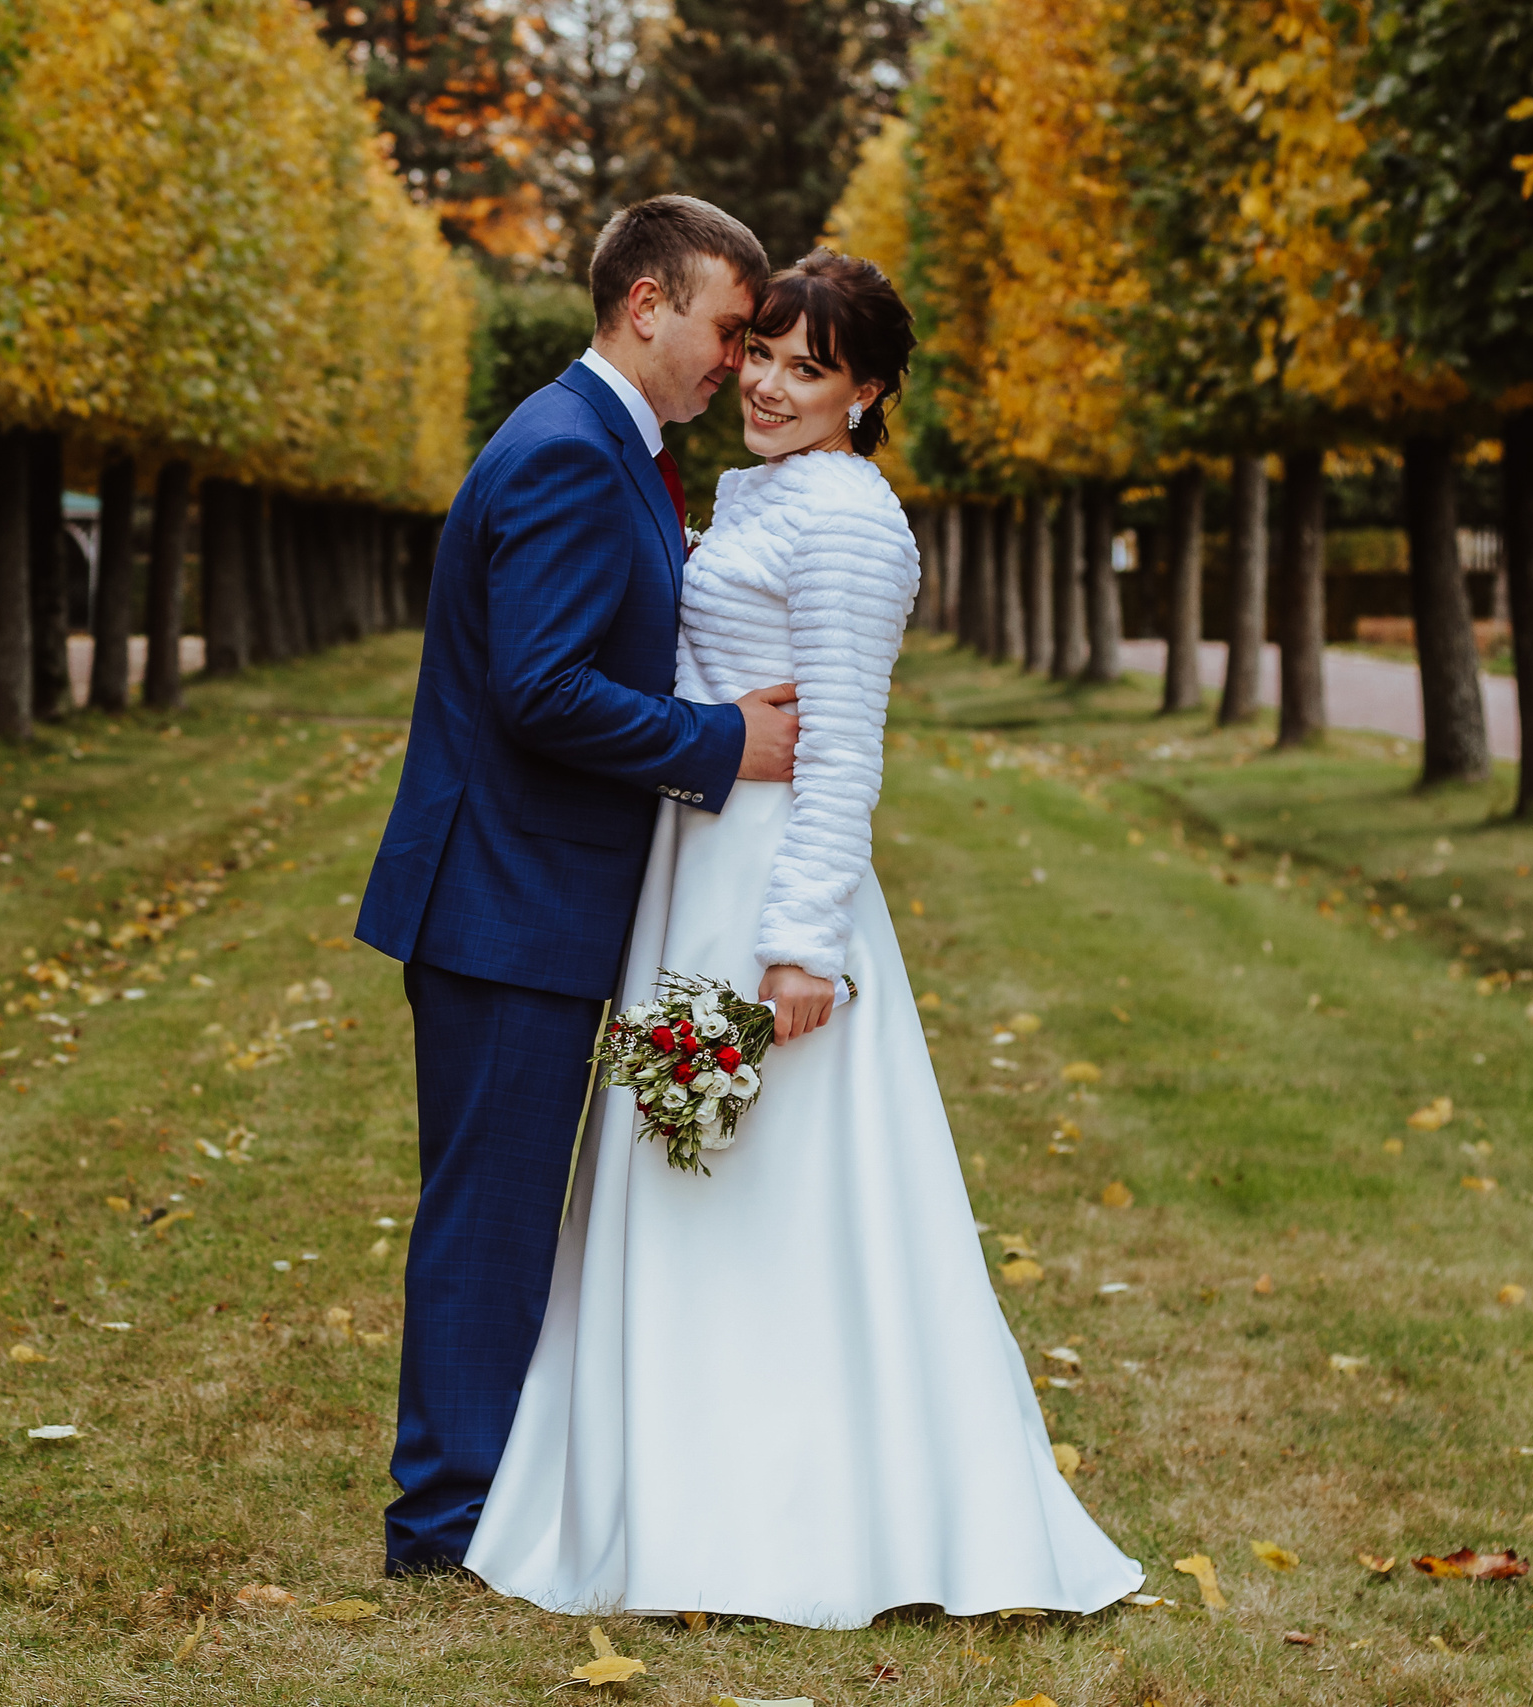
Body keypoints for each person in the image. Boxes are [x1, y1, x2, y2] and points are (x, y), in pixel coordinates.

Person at [460, 250, 1144, 1624]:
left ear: (867, 391)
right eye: (760, 352)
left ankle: (796, 1513)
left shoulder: (847, 521)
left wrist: (798, 948)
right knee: (689, 1181)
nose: (766, 385)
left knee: (774, 1196)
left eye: (807, 368)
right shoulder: (762, 488)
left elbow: (843, 755)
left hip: (767, 889)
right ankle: (666, 1488)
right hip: (694, 862)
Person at [355, 195, 803, 1577]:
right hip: (505, 901)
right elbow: (540, 690)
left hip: (530, 893)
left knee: (498, 1216)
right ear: (647, 305)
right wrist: (725, 743)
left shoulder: (612, 444)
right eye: (731, 329)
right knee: (487, 1222)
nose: (740, 360)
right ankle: (444, 1529)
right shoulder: (566, 450)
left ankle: (480, 1501)